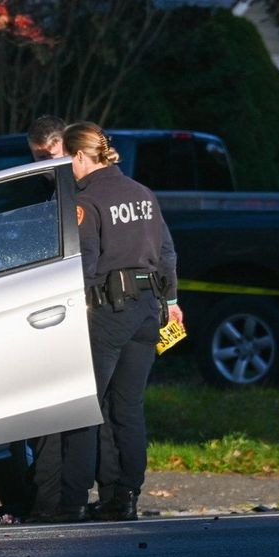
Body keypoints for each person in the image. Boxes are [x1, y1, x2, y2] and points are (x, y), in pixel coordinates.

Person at [63, 121, 183, 522]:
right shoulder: (143, 194)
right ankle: (125, 496)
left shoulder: (88, 199)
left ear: (81, 156)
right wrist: (171, 301)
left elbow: (86, 262)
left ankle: (73, 498)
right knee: (128, 409)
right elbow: (166, 253)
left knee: (86, 406)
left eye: (68, 159)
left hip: (108, 310)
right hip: (149, 310)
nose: (68, 168)